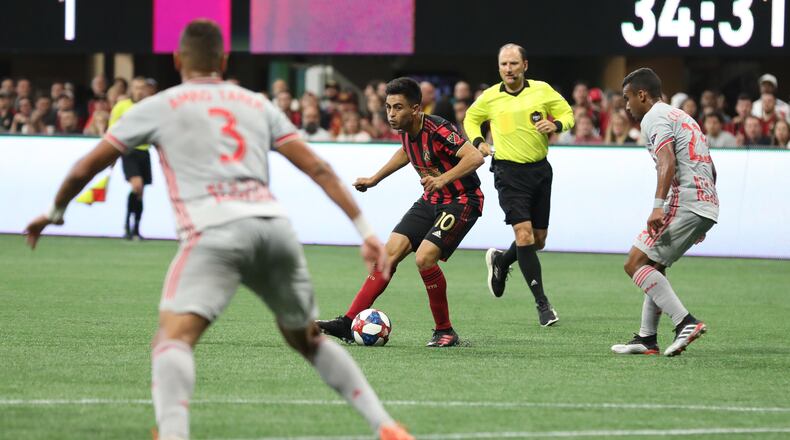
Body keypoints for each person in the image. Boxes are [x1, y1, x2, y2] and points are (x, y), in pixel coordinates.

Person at [23, 20, 413, 440]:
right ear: (224, 61)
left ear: (177, 60)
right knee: (308, 341)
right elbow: (318, 167)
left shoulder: (159, 106)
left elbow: (86, 166)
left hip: (213, 232)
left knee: (172, 341)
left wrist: (55, 211)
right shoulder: (255, 103)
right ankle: (384, 424)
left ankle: (173, 433)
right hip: (273, 230)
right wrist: (364, 230)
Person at [317, 77, 485, 347]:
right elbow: (406, 152)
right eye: (388, 107)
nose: (391, 114)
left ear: (416, 109)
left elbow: (475, 157)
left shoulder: (438, 128)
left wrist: (442, 179)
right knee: (387, 256)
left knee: (424, 258)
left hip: (462, 200)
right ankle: (348, 323)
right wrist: (374, 179)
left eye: (398, 108)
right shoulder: (407, 130)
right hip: (431, 199)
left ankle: (445, 331)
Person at [464, 43, 574, 326]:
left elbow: (568, 115)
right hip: (508, 173)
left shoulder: (542, 90)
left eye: (513, 64)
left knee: (538, 240)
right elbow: (471, 119)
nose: (508, 69)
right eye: (504, 64)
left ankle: (501, 262)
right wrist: (478, 141)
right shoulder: (490, 97)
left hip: (540, 171)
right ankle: (543, 304)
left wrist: (556, 125)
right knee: (524, 235)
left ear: (525, 65)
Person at [612, 67, 718, 357]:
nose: (626, 105)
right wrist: (701, 216)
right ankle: (647, 338)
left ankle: (685, 322)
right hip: (703, 202)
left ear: (642, 95)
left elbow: (666, 161)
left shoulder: (654, 117)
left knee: (635, 263)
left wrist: (658, 206)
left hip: (684, 200)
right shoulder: (682, 116)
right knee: (654, 266)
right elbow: (712, 168)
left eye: (627, 98)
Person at [109, 76, 153, 240]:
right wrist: (112, 155)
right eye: (136, 87)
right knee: (137, 186)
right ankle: (127, 224)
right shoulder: (122, 106)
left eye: (142, 87)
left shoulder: (150, 107)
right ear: (131, 89)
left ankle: (136, 229)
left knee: (140, 193)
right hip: (129, 150)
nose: (139, 91)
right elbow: (112, 129)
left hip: (144, 151)